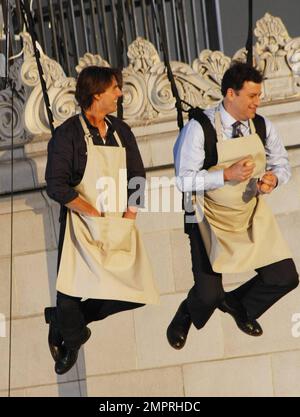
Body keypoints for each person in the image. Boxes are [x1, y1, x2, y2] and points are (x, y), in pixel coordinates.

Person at [167, 62, 299, 349]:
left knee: (285, 277)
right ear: (230, 94)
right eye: (251, 96)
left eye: (258, 95)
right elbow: (184, 180)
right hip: (206, 217)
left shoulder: (263, 126)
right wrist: (225, 175)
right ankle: (185, 314)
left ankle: (240, 306)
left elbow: (283, 164)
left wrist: (273, 179)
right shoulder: (199, 128)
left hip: (248, 213)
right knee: (208, 295)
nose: (257, 101)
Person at [44, 66, 159, 374]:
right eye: (114, 89)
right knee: (68, 297)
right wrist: (91, 212)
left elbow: (137, 176)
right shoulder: (67, 135)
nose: (119, 93)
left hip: (120, 224)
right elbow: (56, 185)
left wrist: (130, 213)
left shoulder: (121, 131)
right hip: (82, 226)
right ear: (97, 95)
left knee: (137, 294)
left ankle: (64, 323)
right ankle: (73, 335)